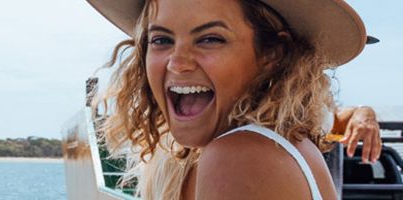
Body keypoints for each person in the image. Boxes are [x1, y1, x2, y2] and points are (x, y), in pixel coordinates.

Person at [87, 0, 376, 199]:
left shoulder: (239, 155)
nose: (177, 63)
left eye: (210, 39)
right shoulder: (279, 142)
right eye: (161, 39)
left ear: (271, 54)